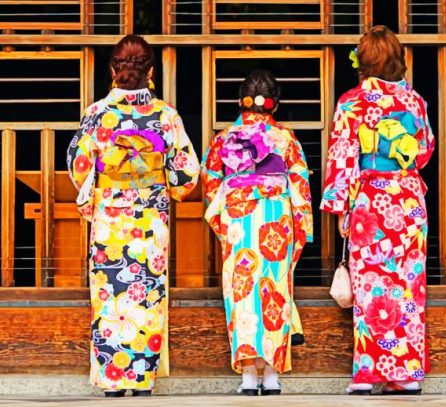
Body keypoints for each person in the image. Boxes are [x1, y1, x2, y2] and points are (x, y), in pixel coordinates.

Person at [67, 34, 199, 397]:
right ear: (151, 71)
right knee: (146, 296)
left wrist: (102, 184)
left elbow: (79, 165)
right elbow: (185, 174)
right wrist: (161, 178)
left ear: (113, 70)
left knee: (111, 296)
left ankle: (112, 379)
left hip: (111, 215)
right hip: (150, 216)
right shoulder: (165, 115)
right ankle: (141, 378)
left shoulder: (97, 114)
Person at [320, 25, 435, 396]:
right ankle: (406, 372)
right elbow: (425, 150)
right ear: (398, 60)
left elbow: (342, 156)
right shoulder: (415, 102)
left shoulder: (352, 102)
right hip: (408, 198)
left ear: (363, 62)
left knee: (373, 286)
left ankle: (370, 370)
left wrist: (341, 208)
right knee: (408, 285)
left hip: (370, 199)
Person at [202, 69, 313, 396]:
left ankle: (248, 375)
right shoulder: (286, 138)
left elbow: (211, 185)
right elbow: (300, 186)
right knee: (274, 290)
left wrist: (223, 224)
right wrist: (300, 227)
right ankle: (273, 375)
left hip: (238, 218)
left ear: (240, 102)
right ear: (274, 105)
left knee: (242, 293)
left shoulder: (224, 139)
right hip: (276, 218)